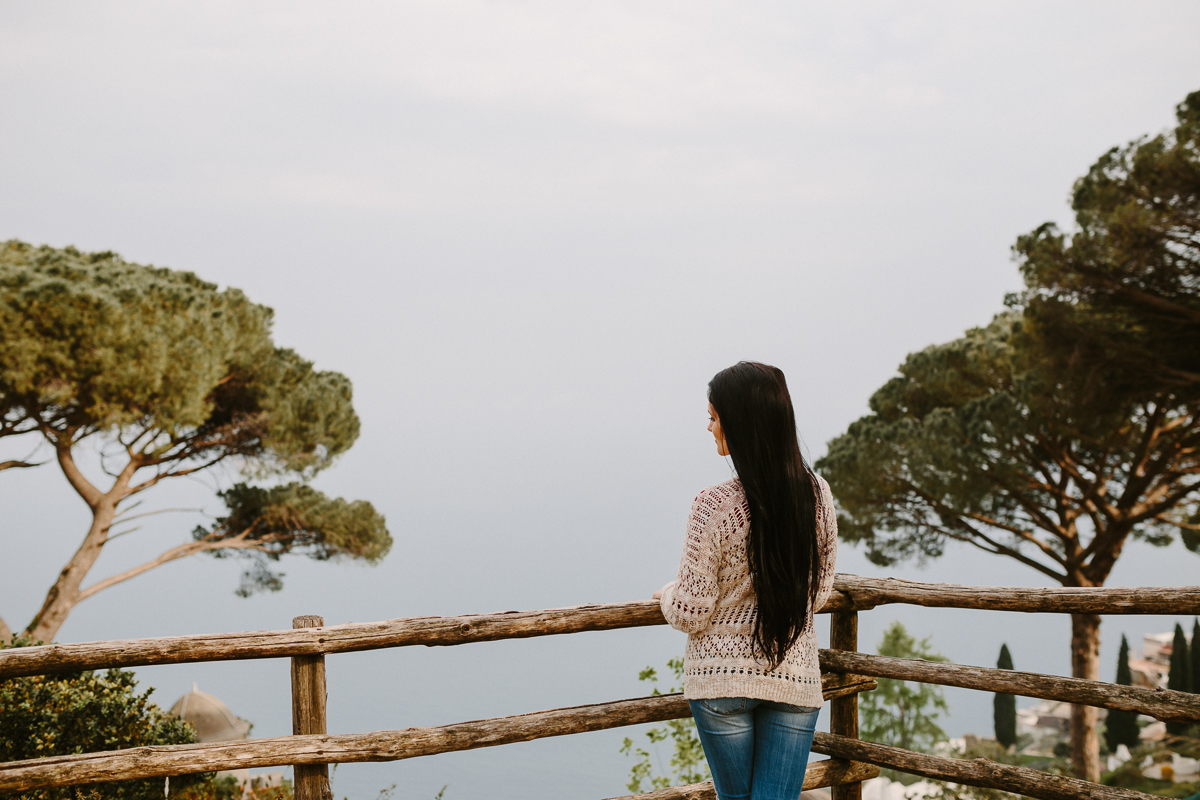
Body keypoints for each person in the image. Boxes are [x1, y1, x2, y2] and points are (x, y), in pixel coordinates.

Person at [653, 361, 838, 800]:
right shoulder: (817, 494)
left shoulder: (712, 505)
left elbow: (691, 612)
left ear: (740, 423)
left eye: (715, 417)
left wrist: (666, 595)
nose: (710, 427)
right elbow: (819, 592)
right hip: (793, 676)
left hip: (722, 683)